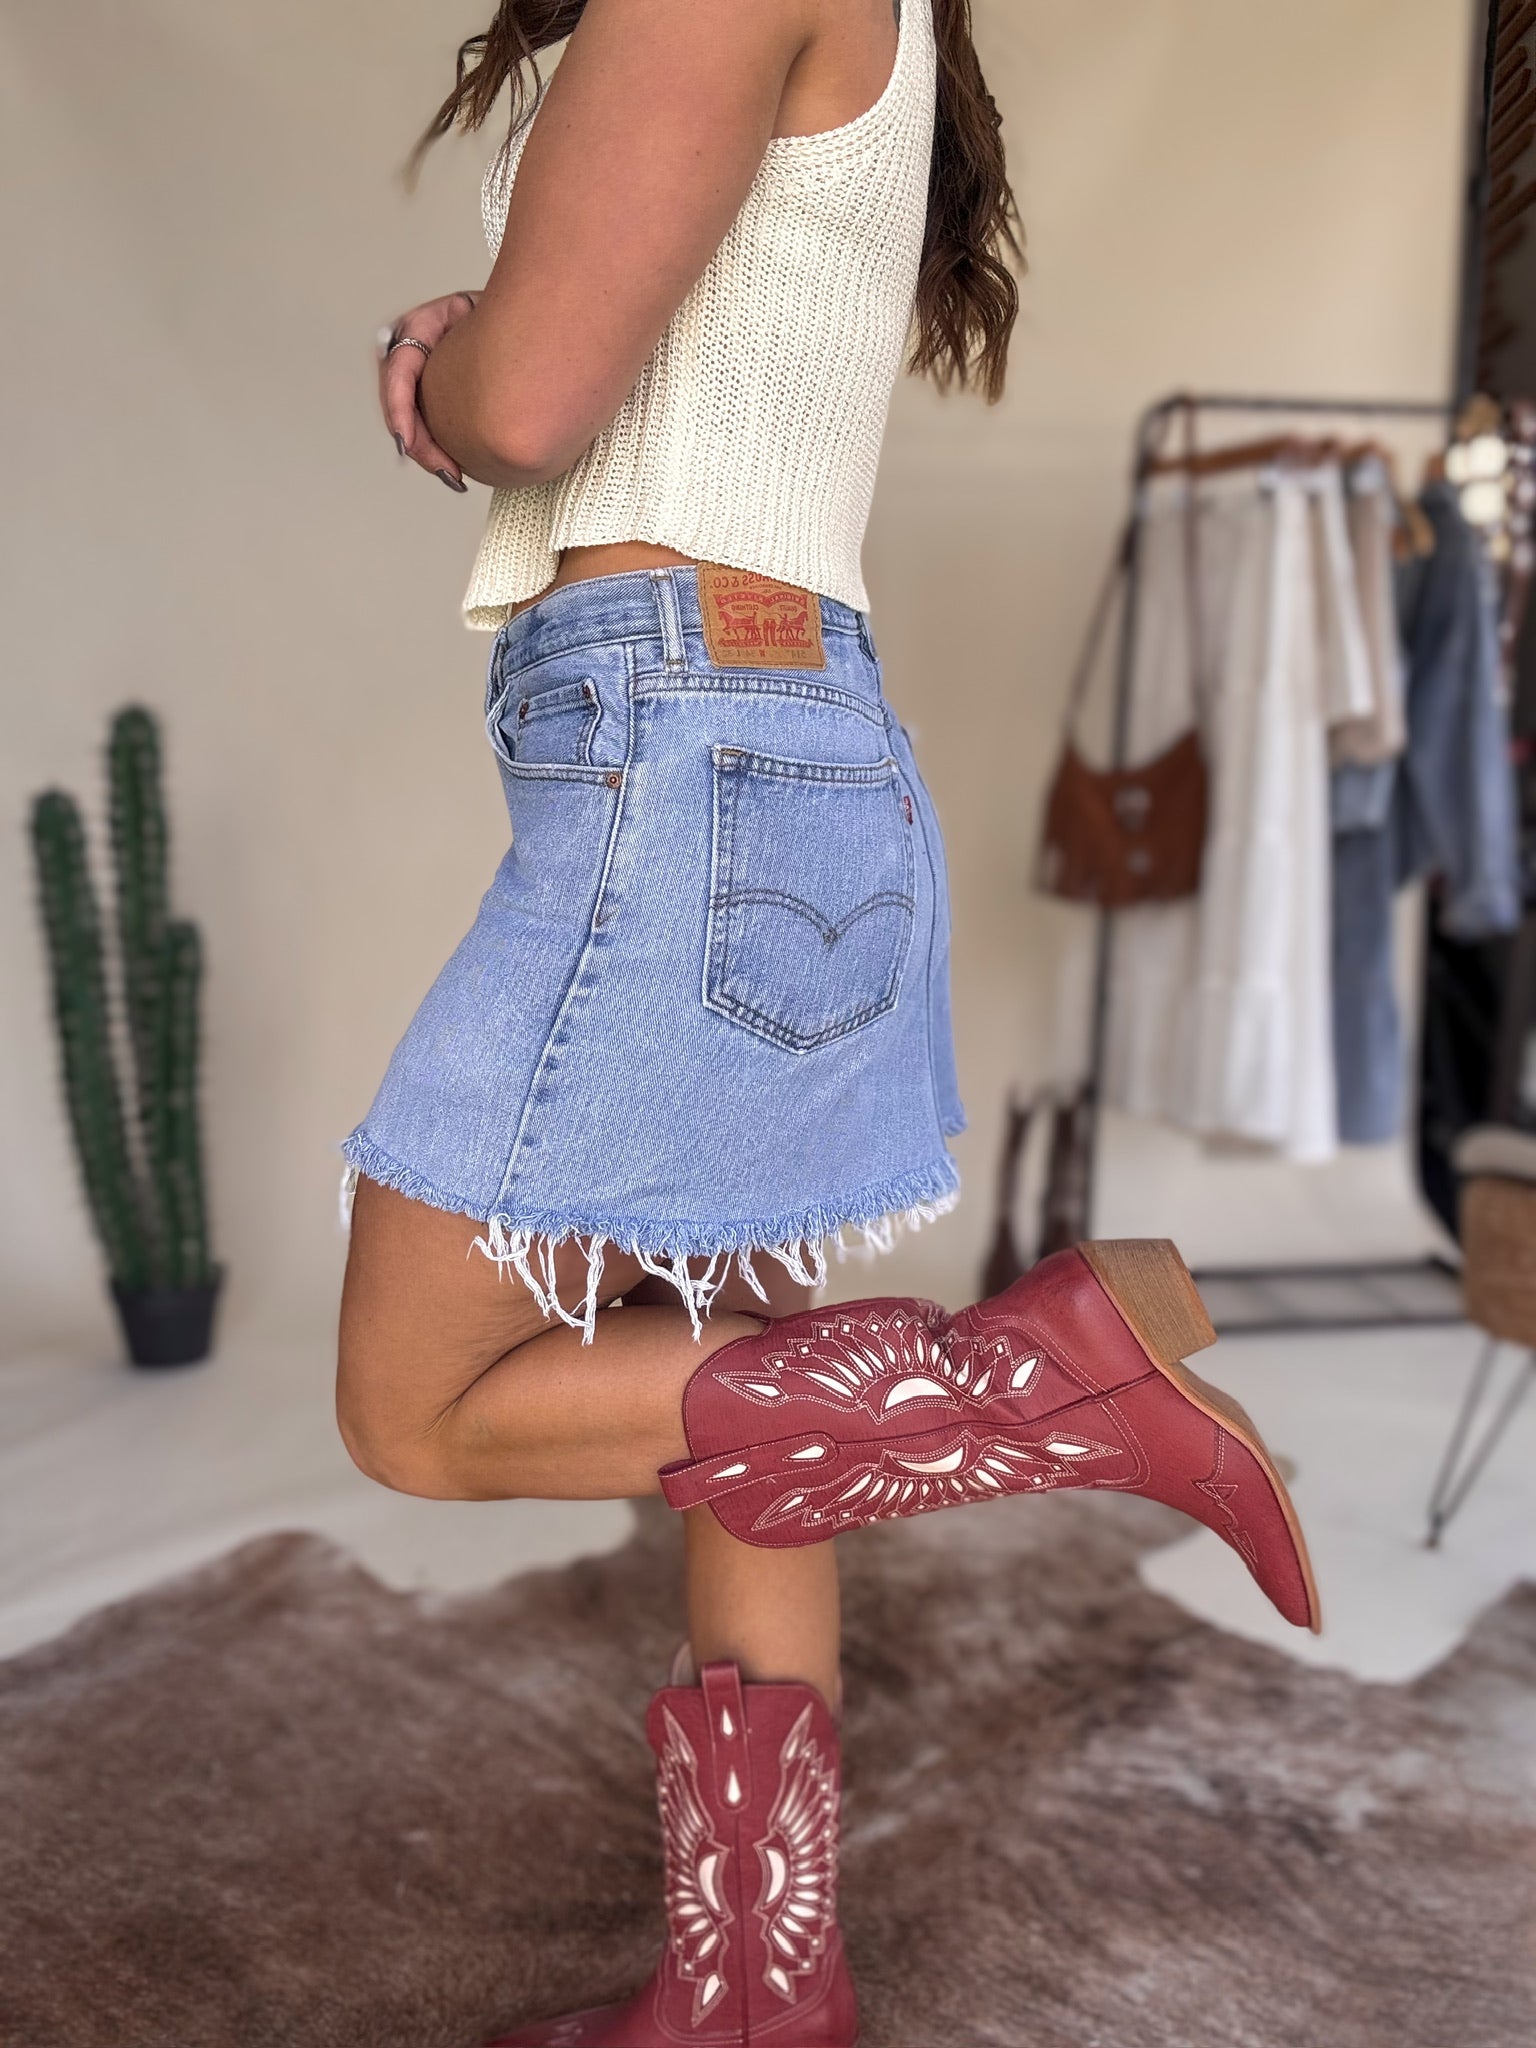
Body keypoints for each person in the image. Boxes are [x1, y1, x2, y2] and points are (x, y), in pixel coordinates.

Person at [335, 3, 1319, 2041]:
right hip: (781, 749)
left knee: (413, 1405)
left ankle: (1033, 1384)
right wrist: (506, 337)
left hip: (688, 748)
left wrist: (458, 365)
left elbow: (532, 405)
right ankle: (758, 1997)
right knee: (746, 1416)